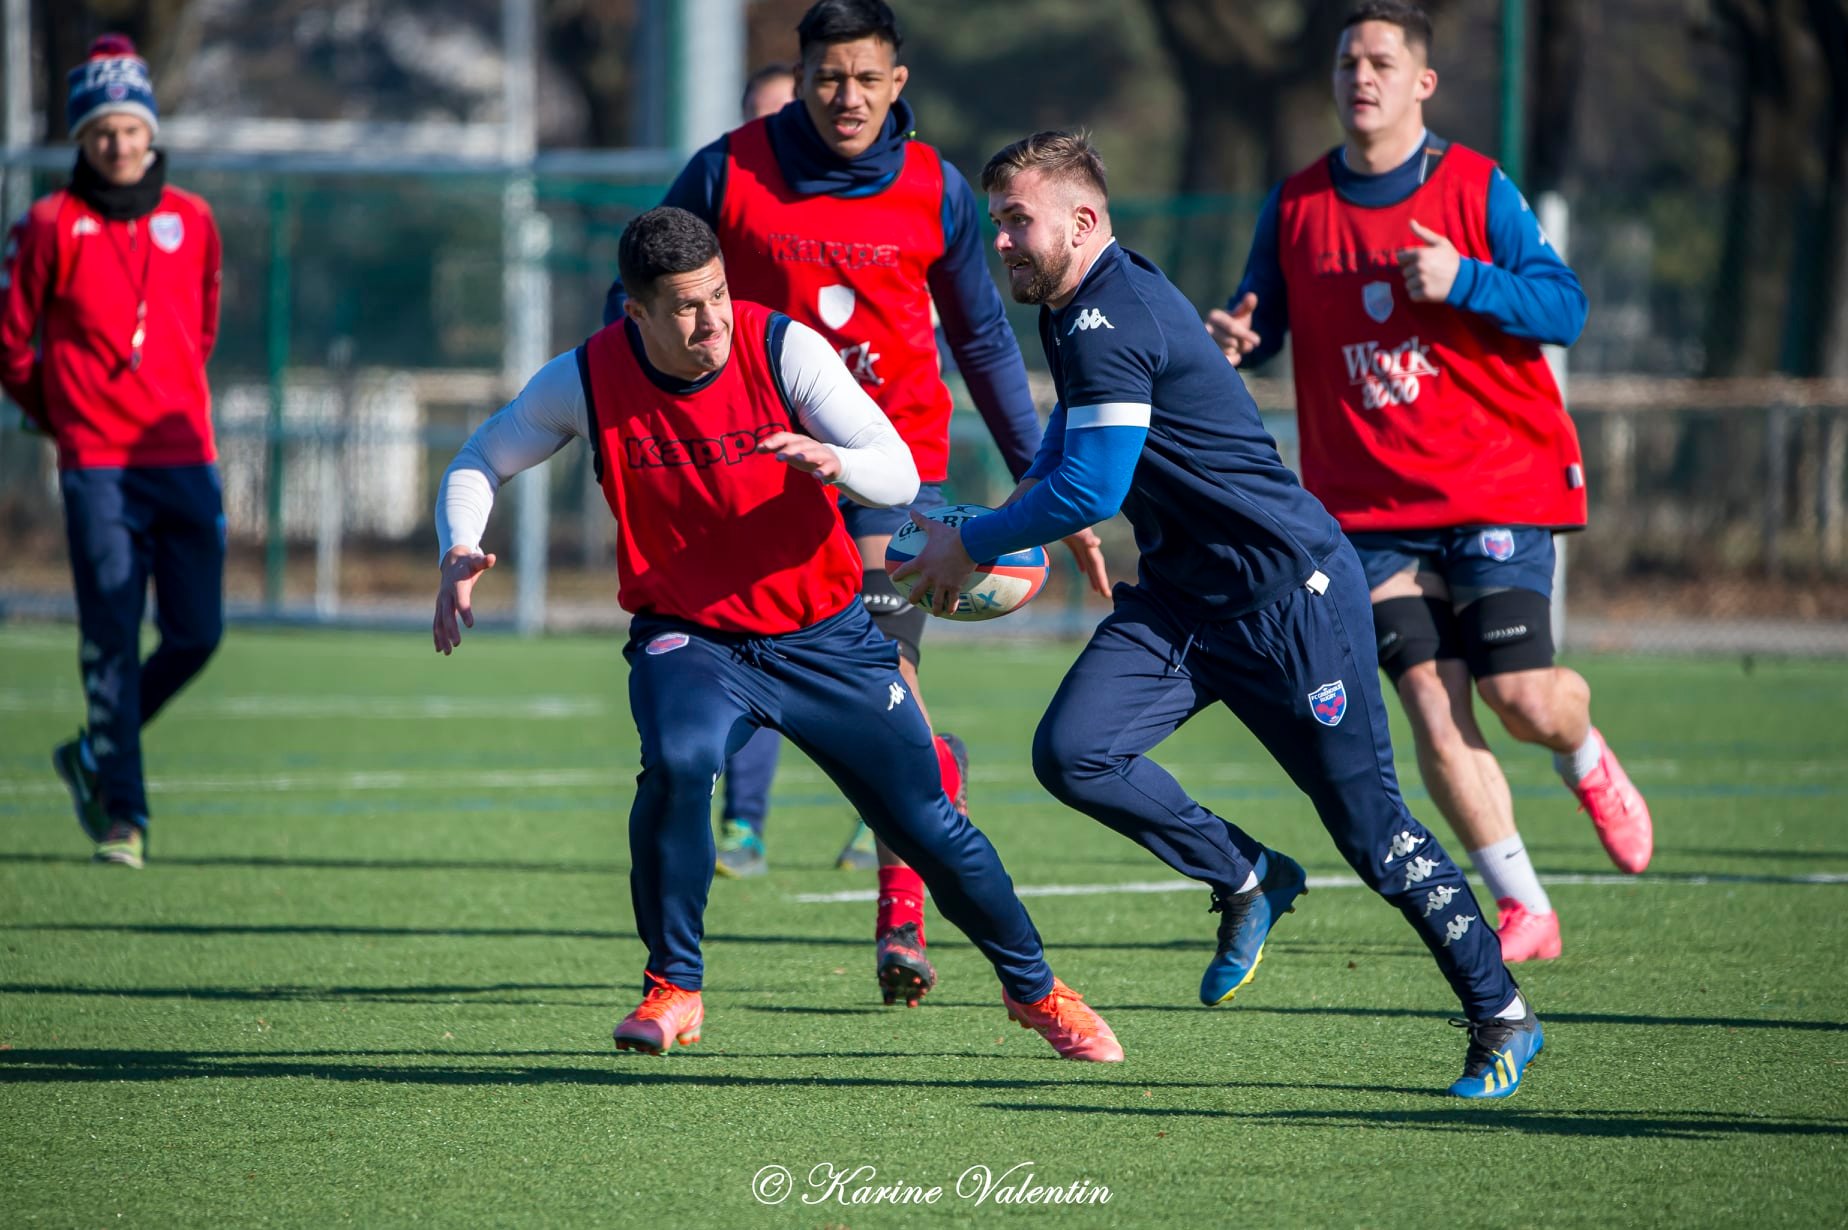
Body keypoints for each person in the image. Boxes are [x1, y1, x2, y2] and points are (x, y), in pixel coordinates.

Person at [894, 131, 1542, 1097]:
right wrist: (1038, 492)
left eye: (1018, 221)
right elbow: (1077, 442)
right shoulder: (1073, 307)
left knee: (1373, 835)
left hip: (1292, 603)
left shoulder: (1114, 313)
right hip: (1184, 600)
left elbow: (1096, 485)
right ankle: (1246, 876)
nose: (1002, 242)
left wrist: (978, 537)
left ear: (1083, 220)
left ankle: (1503, 1016)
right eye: (997, 223)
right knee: (1074, 752)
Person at [433, 206, 1122, 1063]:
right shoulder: (587, 377)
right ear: (636, 313)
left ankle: (1038, 991)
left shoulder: (782, 348)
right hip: (693, 638)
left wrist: (840, 465)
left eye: (718, 293)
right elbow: (479, 459)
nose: (711, 319)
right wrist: (460, 547)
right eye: (684, 306)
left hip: (826, 635)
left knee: (928, 825)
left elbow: (898, 467)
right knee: (680, 763)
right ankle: (674, 988)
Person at [601, 0, 1107, 1006]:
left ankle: (902, 918)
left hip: (888, 482)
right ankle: (704, 906)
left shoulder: (937, 190)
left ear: (898, 81)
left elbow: (984, 342)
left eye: (867, 78)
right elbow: (640, 299)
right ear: (800, 73)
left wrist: (1044, 477)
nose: (847, 97)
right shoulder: (727, 171)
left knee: (892, 685)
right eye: (830, 76)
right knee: (720, 712)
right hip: (749, 484)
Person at [1207, 1, 1652, 964]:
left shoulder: (1475, 188)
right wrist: (1241, 340)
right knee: (1432, 703)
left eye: (1380, 61)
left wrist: (1467, 281)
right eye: (1345, 62)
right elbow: (1264, 319)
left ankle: (1585, 755)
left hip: (1494, 487)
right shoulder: (1295, 205)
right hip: (1365, 513)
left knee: (1522, 697)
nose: (1360, 77)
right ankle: (1523, 903)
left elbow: (1564, 307)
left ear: (1422, 82)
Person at [0, 36, 224, 870]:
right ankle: (123, 813)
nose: (119, 145)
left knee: (199, 634)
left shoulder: (193, 220)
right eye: (102, 132)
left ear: (151, 131)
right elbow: (11, 344)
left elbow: (200, 326)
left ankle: (93, 749)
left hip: (181, 453)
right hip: (94, 462)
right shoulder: (49, 225)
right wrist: (56, 412)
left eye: (131, 128)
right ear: (80, 140)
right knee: (112, 630)